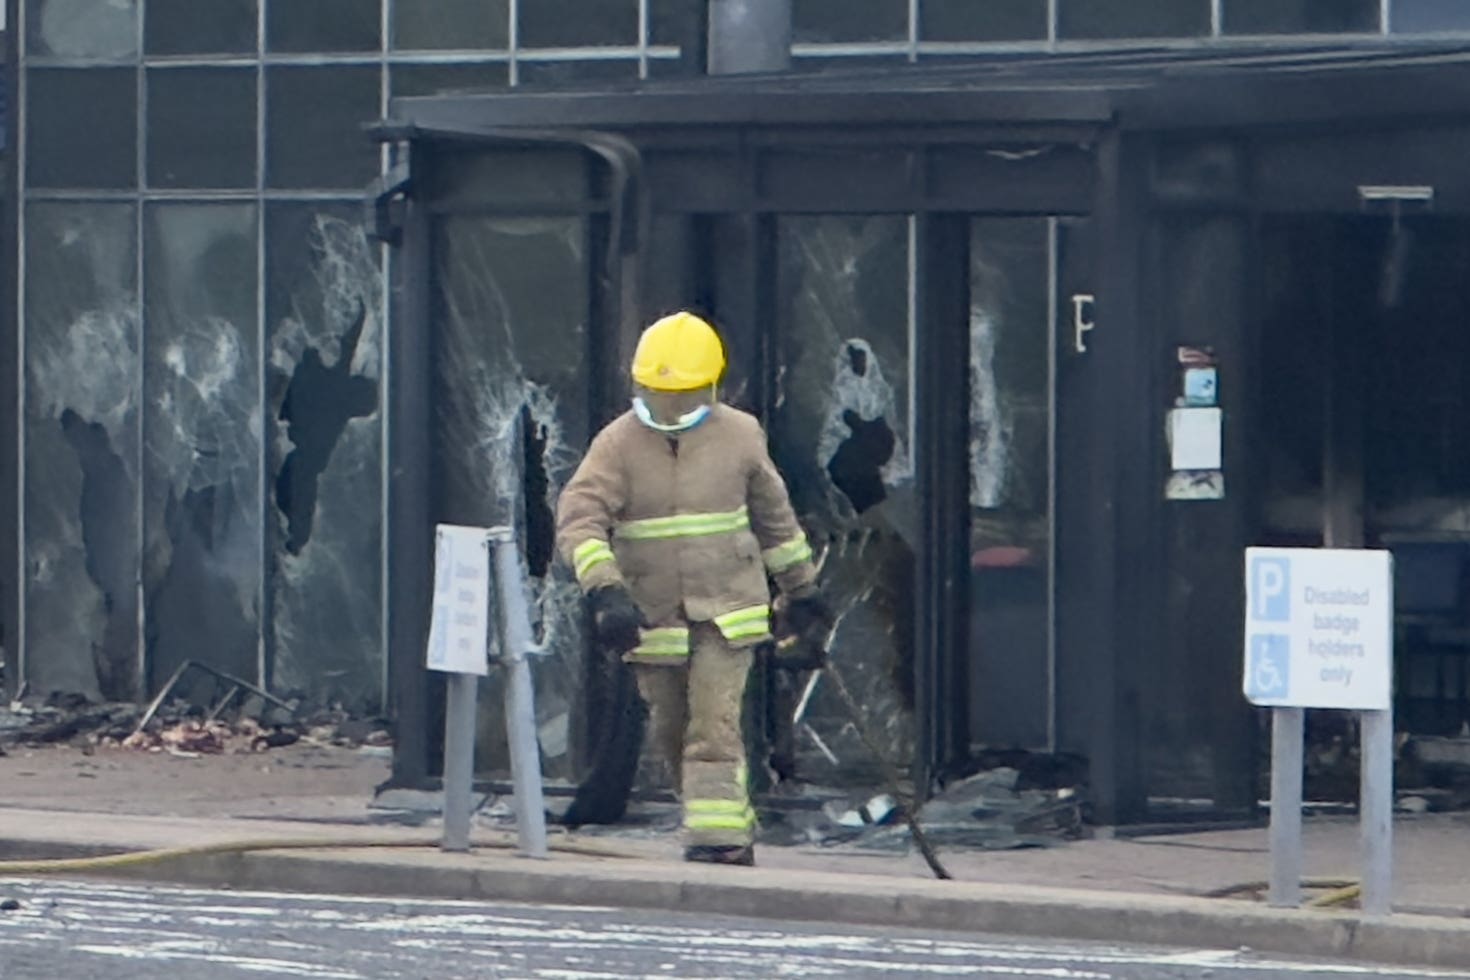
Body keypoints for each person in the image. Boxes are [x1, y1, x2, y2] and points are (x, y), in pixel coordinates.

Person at [556, 311, 831, 866]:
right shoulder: (617, 445)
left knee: (713, 726)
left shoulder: (740, 436)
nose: (670, 408)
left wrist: (802, 590)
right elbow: (580, 518)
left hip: (728, 610)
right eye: (660, 394)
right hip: (653, 615)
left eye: (681, 394)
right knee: (672, 729)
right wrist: (604, 589)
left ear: (711, 387)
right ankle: (715, 817)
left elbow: (774, 519)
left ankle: (720, 842)